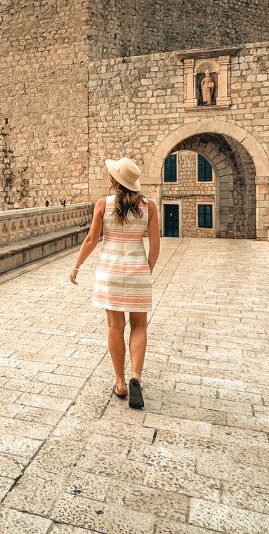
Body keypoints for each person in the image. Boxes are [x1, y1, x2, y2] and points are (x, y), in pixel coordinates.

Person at [69, 157, 159, 409]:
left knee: (115, 326)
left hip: (109, 273)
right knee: (139, 325)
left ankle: (119, 381)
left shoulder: (103, 204)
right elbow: (155, 246)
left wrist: (76, 266)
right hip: (138, 271)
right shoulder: (149, 206)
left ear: (113, 180)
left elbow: (90, 240)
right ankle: (135, 376)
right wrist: (145, 271)